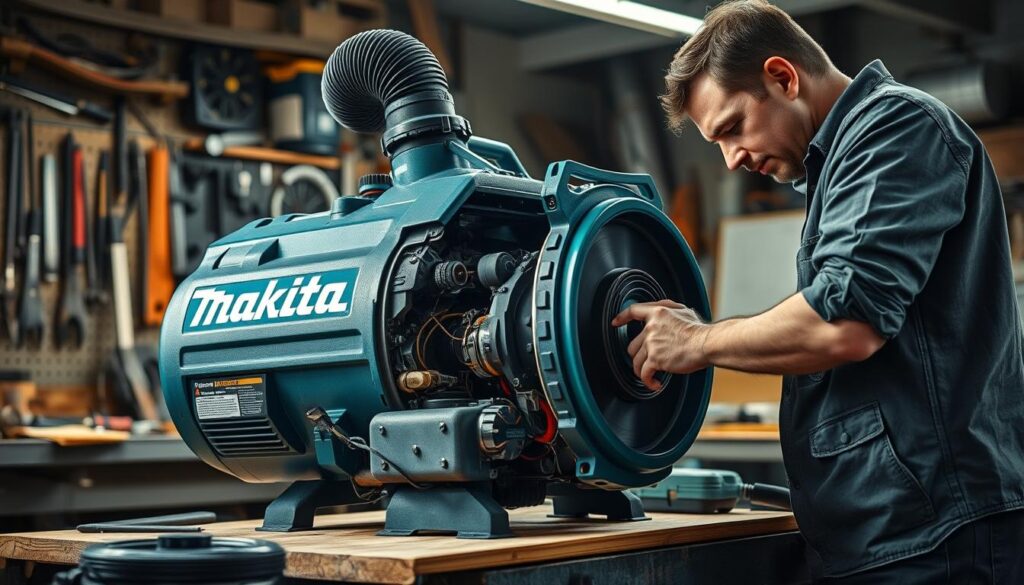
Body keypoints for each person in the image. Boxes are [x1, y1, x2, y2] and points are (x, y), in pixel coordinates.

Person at [612, 0, 1024, 582]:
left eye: (732, 128)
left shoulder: (894, 129)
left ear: (783, 77)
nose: (731, 160)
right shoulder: (841, 164)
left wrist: (699, 341)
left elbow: (842, 324)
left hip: (934, 535)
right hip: (888, 530)